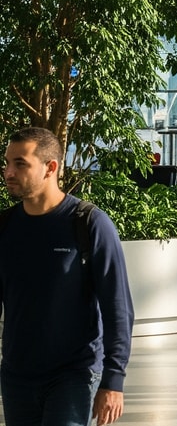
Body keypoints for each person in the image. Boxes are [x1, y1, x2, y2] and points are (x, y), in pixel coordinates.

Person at [0, 127, 133, 426]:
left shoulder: (89, 224)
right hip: (16, 376)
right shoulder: (5, 228)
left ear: (51, 168)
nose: (8, 172)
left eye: (20, 163)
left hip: (74, 374)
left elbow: (118, 308)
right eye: (7, 163)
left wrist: (113, 380)